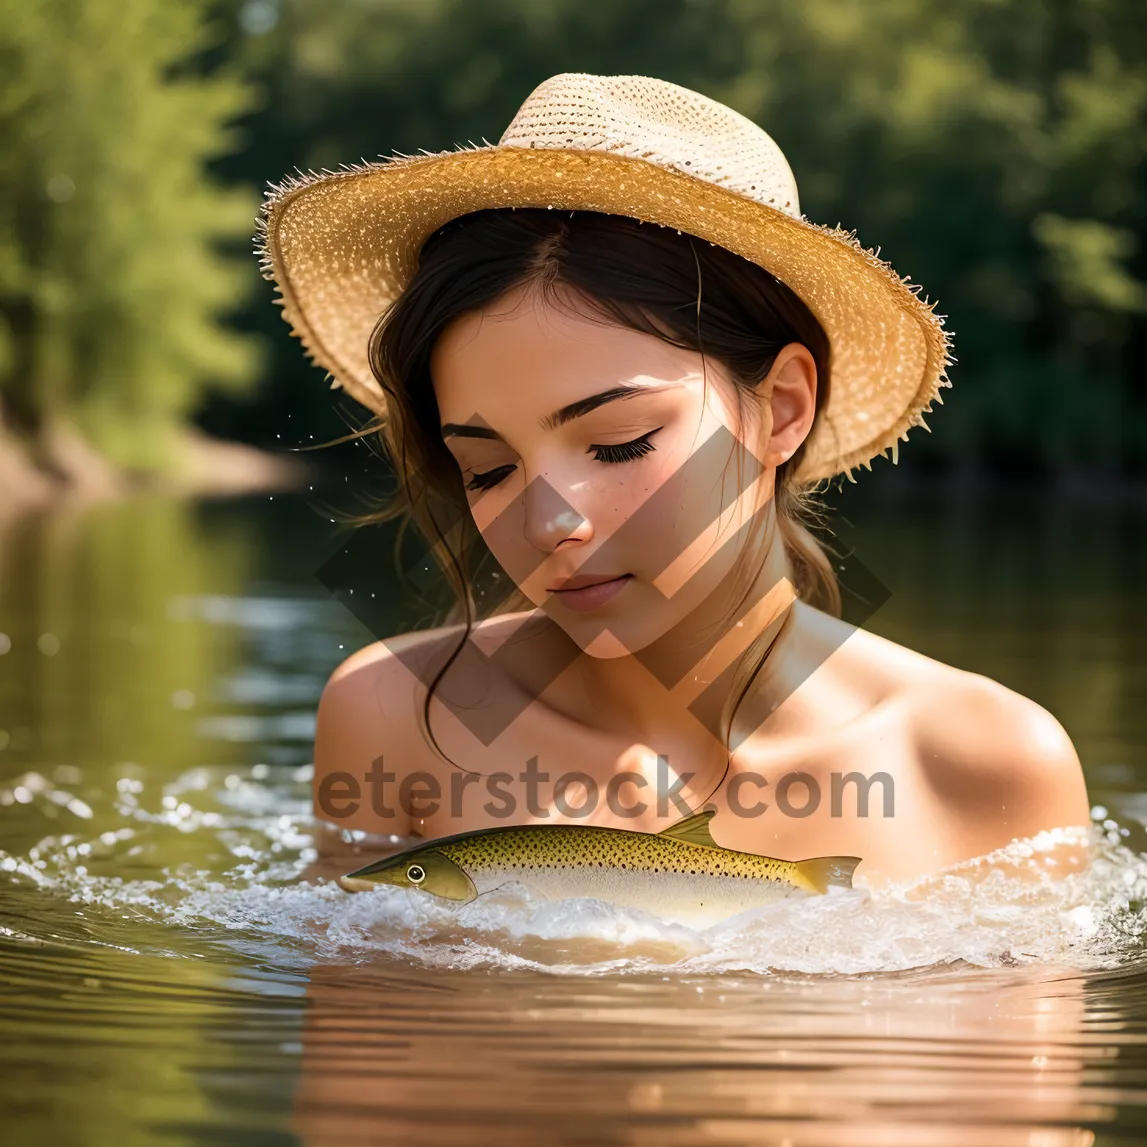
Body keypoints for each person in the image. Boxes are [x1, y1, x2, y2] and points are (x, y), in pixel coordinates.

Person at [258, 73, 1089, 887]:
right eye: (489, 468)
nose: (550, 523)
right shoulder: (397, 718)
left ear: (783, 408)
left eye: (618, 443)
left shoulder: (988, 766)